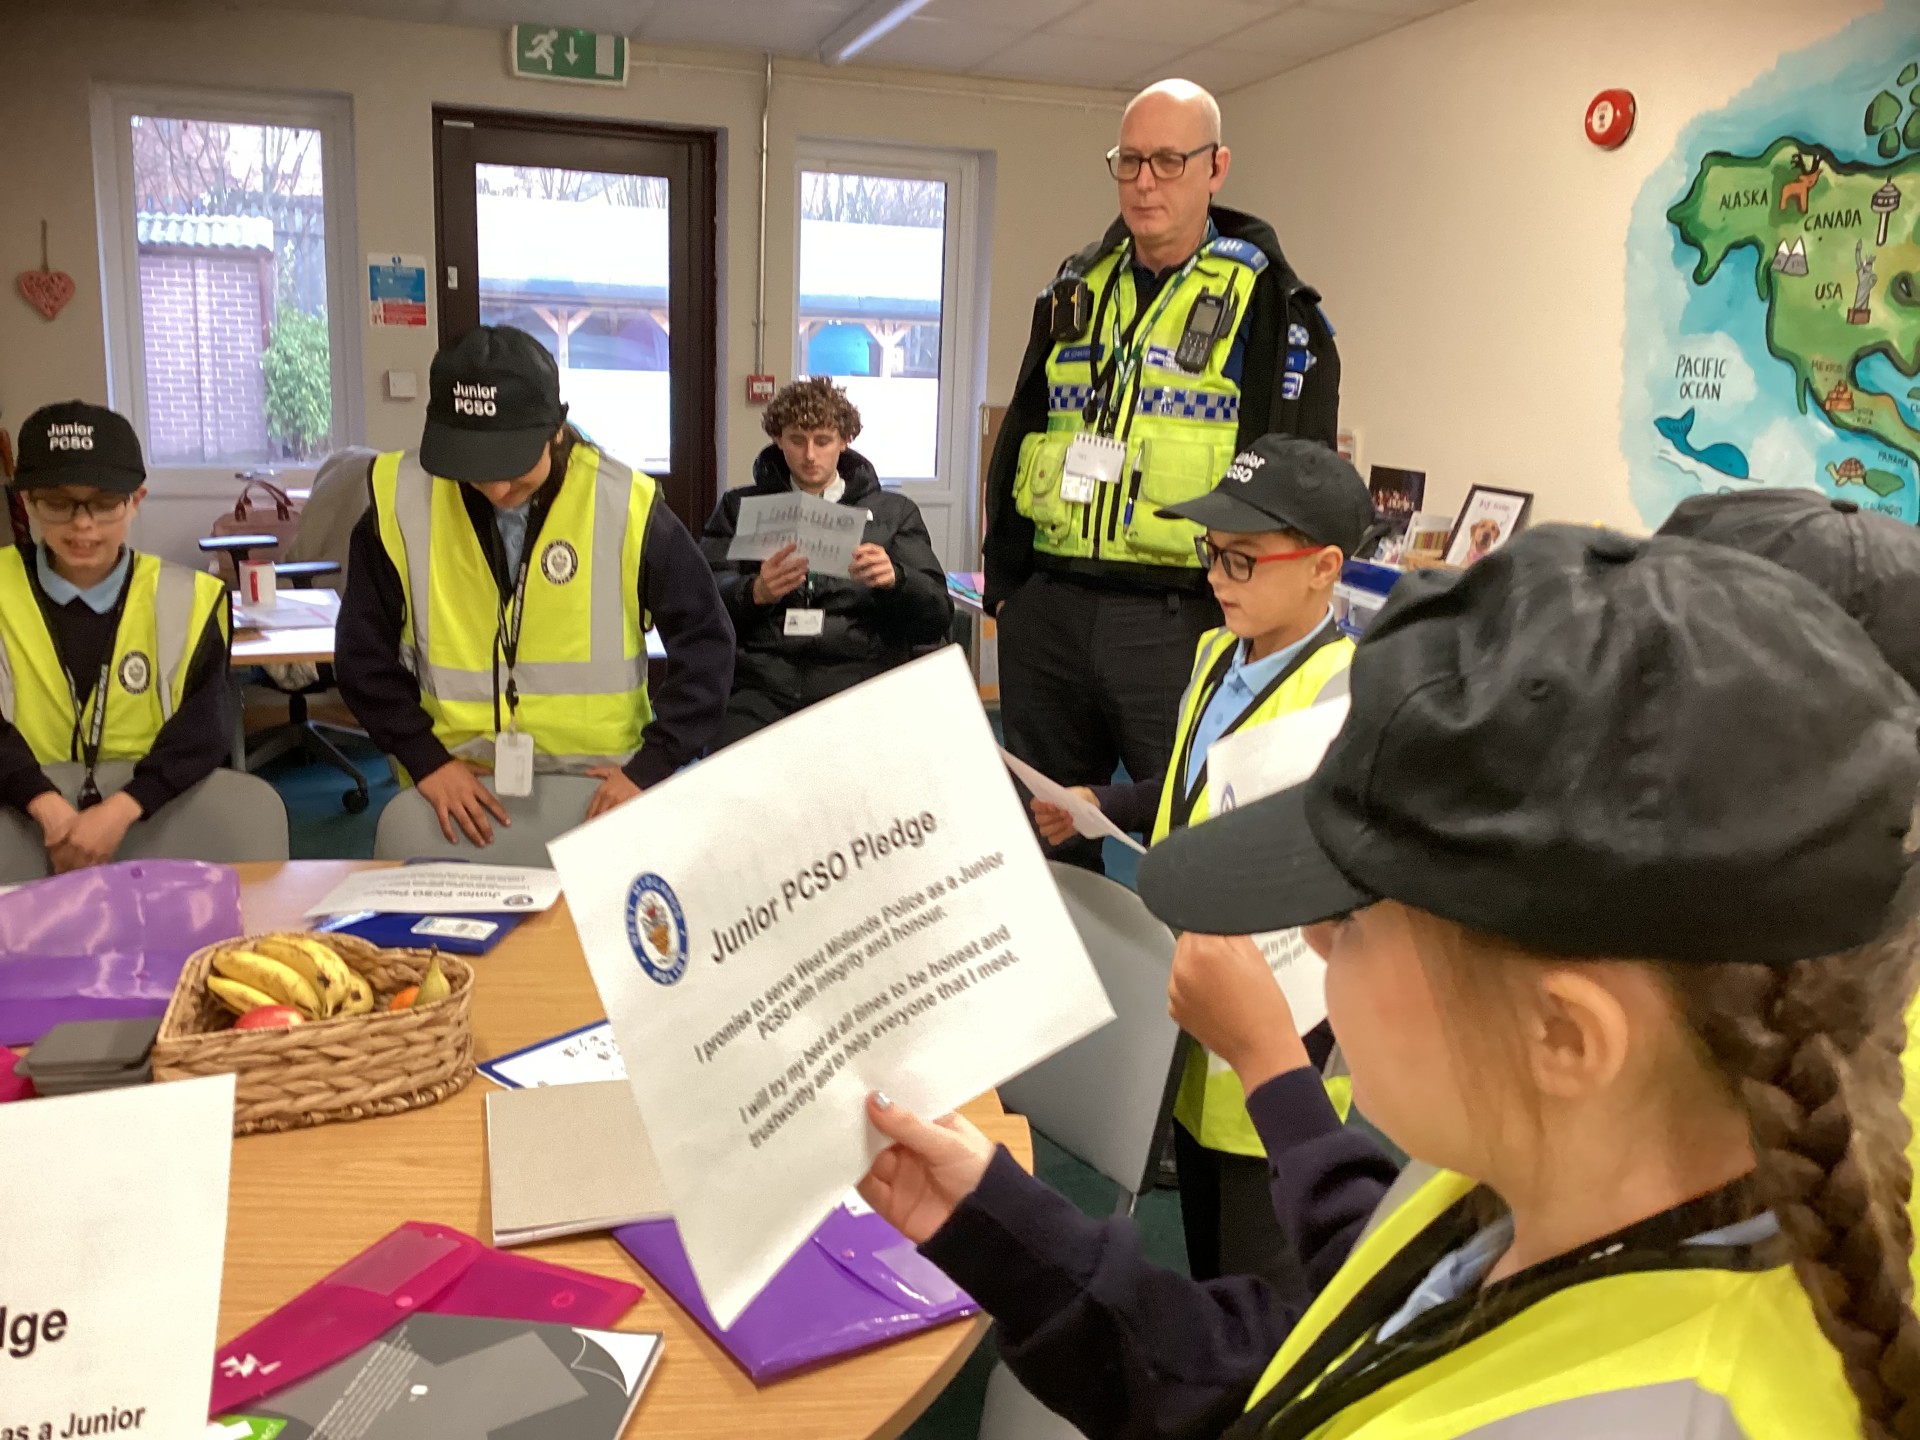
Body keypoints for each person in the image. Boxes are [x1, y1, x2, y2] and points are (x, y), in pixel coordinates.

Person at [856, 525, 1920, 1440]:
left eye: (1353, 919)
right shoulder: (1575, 1169)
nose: (1315, 945)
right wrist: (1002, 1224)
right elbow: (1334, 1349)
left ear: (1565, 1035)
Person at [1029, 434, 1370, 1290]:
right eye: (1210, 552)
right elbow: (1193, 784)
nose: (1216, 577)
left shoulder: (1347, 693)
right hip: (1192, 994)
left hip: (1282, 1029)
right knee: (1208, 1251)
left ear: (1324, 568)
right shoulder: (1217, 652)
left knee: (1266, 1274)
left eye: (1242, 560)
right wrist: (1110, 805)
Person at [984, 78, 1341, 872]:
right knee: (1043, 837)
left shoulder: (1266, 299)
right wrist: (1010, 587)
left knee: (1190, 837)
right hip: (1051, 611)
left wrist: (1258, 615)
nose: (1145, 182)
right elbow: (1025, 423)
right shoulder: (1077, 284)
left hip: (1181, 616)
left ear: (1216, 167)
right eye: (1131, 160)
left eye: (1169, 161)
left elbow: (1294, 476)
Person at [337, 325, 734, 846]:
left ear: (556, 431)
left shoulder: (625, 506)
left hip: (602, 792)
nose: (497, 488)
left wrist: (653, 763)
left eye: (513, 465)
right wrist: (424, 759)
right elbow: (362, 657)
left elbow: (707, 645)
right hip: (457, 789)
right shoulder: (399, 503)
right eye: (474, 468)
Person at [0, 402, 231, 871]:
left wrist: (122, 809)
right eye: (58, 502)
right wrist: (45, 804)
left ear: (136, 500)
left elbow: (208, 724)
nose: (83, 524)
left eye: (105, 502)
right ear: (27, 501)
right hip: (21, 828)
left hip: (153, 826)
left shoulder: (192, 598)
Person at [700, 377, 952, 747]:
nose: (810, 455)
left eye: (823, 441)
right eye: (797, 440)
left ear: (844, 441)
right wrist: (754, 592)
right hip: (763, 681)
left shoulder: (893, 512)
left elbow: (937, 613)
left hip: (858, 680)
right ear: (778, 439)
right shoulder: (739, 508)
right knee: (728, 763)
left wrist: (896, 580)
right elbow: (702, 599)